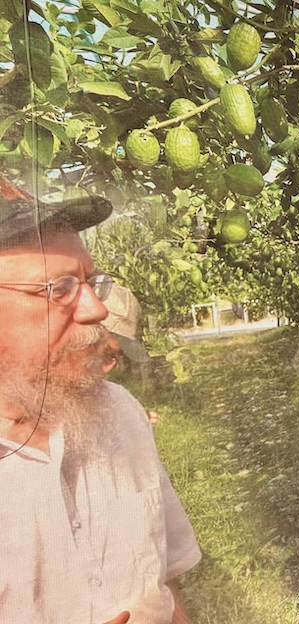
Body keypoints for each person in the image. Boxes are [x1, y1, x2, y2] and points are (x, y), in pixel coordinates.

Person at [0, 177, 201, 623]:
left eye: (92, 282)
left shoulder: (120, 411)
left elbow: (164, 583)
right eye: (59, 289)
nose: (96, 309)